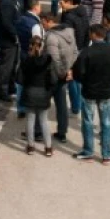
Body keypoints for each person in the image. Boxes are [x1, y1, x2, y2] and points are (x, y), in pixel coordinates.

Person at [73, 23, 110, 164]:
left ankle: (88, 152)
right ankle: (106, 154)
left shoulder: (86, 52)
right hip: (107, 92)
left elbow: (78, 74)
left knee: (88, 122)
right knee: (106, 123)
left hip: (89, 92)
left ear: (94, 35)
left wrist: (85, 82)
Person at [41, 11, 78, 143]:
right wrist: (69, 70)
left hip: (52, 76)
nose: (43, 26)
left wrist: (62, 73)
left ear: (48, 20)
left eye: (43, 23)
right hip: (65, 74)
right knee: (62, 105)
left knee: (42, 104)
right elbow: (75, 52)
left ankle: (38, 132)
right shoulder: (70, 32)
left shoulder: (51, 37)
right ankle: (62, 132)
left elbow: (53, 59)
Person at [20, 36, 56, 156]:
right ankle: (48, 147)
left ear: (30, 45)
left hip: (30, 91)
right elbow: (53, 79)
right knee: (44, 121)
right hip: (44, 92)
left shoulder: (26, 60)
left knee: (30, 120)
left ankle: (30, 146)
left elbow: (19, 77)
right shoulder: (48, 59)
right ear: (42, 46)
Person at [15, 0, 45, 119]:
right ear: (35, 7)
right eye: (40, 5)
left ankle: (20, 107)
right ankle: (29, 106)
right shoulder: (35, 25)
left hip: (22, 52)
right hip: (31, 56)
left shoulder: (21, 19)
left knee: (21, 82)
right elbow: (37, 43)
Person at [0, 0, 22, 102]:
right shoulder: (6, 2)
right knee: (6, 66)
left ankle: (11, 87)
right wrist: (15, 35)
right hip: (8, 40)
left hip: (13, 39)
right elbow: (6, 22)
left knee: (13, 64)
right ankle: (3, 91)